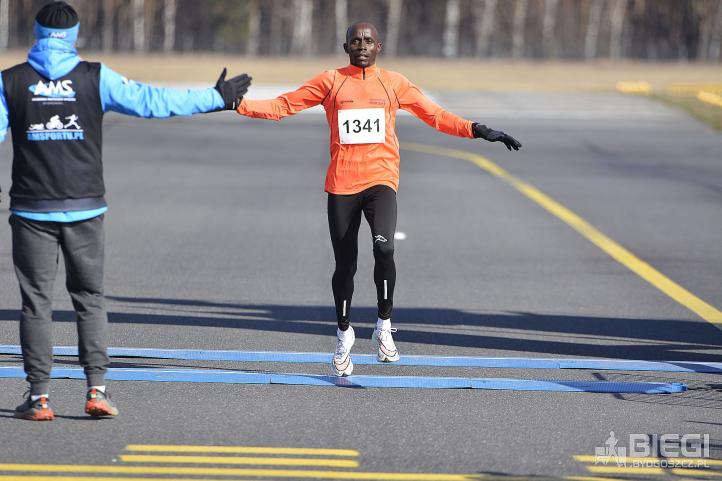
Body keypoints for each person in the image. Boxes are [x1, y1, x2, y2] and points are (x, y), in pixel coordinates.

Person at [0, 1, 251, 420]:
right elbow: (151, 101)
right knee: (90, 298)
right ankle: (96, 391)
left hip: (32, 210)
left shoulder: (11, 81)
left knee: (36, 304)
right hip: (84, 208)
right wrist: (214, 98)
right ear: (74, 36)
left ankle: (39, 397)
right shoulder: (95, 77)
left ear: (37, 33)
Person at [235, 22, 521, 376]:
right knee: (345, 267)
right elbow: (282, 106)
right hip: (342, 185)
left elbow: (435, 115)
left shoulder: (394, 83)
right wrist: (237, 103)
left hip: (380, 182)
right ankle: (343, 337)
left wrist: (477, 129)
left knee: (384, 249)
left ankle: (384, 326)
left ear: (378, 47)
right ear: (346, 47)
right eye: (355, 41)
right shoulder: (330, 81)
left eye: (368, 41)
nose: (362, 46)